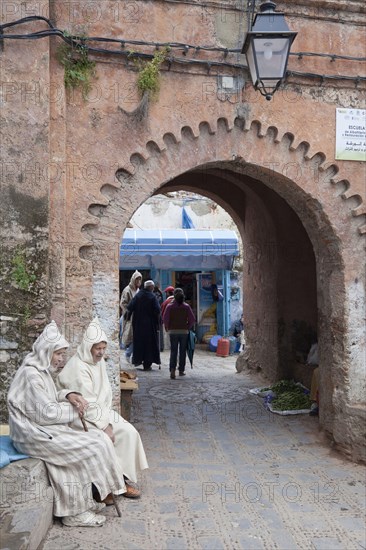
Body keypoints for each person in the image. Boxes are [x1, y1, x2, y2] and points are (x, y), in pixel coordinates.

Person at [7, 321, 127, 527]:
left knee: (98, 438)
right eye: (59, 354)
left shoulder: (41, 371)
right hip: (31, 434)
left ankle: (80, 504)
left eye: (62, 354)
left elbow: (52, 396)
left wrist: (69, 394)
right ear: (46, 352)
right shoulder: (30, 374)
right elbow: (47, 413)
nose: (62, 359)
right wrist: (74, 410)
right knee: (91, 445)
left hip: (43, 429)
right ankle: (76, 511)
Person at [57, 317, 148, 499]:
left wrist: (108, 418)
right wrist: (104, 424)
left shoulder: (97, 363)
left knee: (128, 432)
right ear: (88, 347)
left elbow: (103, 395)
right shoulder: (78, 366)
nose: (100, 352)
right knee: (105, 438)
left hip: (100, 413)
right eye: (97, 348)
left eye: (103, 348)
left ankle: (121, 479)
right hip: (81, 416)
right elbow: (86, 402)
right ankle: (103, 486)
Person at [127, 280, 161, 371]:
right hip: (150, 325)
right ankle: (147, 364)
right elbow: (157, 310)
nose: (153, 289)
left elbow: (130, 307)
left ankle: (138, 360)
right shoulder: (152, 297)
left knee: (139, 343)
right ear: (150, 287)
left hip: (138, 324)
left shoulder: (138, 296)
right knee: (149, 344)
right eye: (153, 287)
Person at [163, 288, 195, 379]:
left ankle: (172, 370)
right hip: (184, 332)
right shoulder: (186, 306)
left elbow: (165, 319)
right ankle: (181, 370)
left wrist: (167, 327)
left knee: (173, 351)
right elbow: (192, 320)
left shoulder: (169, 306)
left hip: (173, 331)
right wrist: (187, 327)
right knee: (182, 351)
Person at [120, 270, 142, 362]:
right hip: (129, 317)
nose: (138, 282)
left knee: (136, 336)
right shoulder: (127, 290)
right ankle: (128, 353)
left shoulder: (138, 290)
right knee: (129, 336)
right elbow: (123, 303)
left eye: (140, 280)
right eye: (137, 280)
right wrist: (129, 311)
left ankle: (132, 355)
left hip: (137, 317)